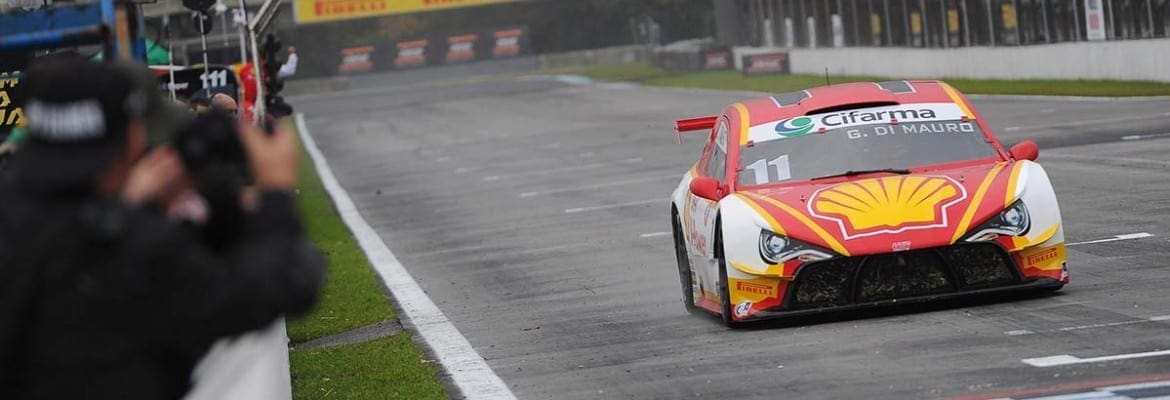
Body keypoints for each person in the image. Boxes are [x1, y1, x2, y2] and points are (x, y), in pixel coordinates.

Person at [0, 55, 323, 399]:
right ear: (131, 140)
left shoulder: (20, 222)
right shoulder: (137, 250)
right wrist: (275, 190)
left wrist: (130, 205)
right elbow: (277, 286)